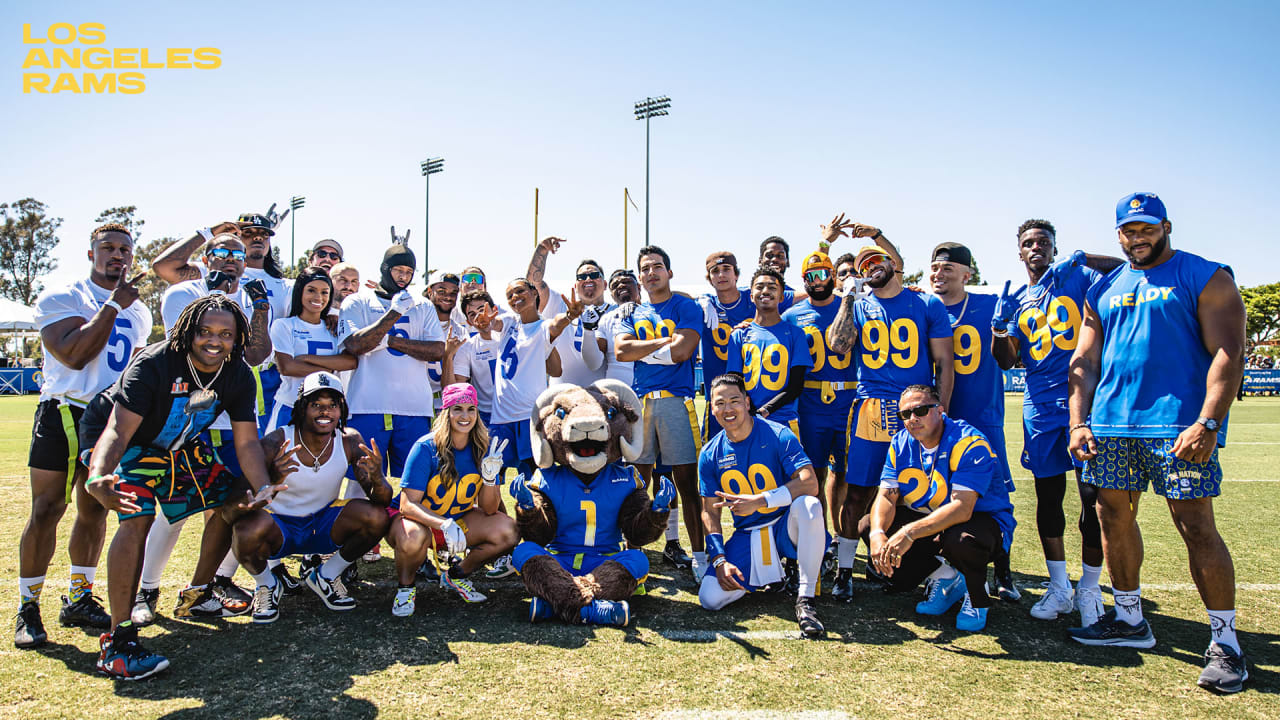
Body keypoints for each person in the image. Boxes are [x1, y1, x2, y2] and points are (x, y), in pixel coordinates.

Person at [1068, 193, 1248, 693]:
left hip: (1178, 429)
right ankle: (1129, 621)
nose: (1138, 237)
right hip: (1111, 429)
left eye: (1146, 227)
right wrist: (1079, 423)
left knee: (1196, 526)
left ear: (1166, 226)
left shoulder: (1205, 274)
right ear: (1118, 234)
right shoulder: (1104, 287)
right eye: (1128, 229)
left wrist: (1208, 423)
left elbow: (1229, 352)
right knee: (1111, 519)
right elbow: (1083, 364)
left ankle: (1226, 642)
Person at [82, 295, 282, 680]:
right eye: (205, 331)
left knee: (233, 502)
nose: (214, 341)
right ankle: (118, 641)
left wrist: (262, 487)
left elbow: (245, 443)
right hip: (127, 442)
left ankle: (198, 594)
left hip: (180, 444)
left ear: (238, 337)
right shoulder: (156, 363)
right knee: (135, 516)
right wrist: (98, 474)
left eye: (226, 334)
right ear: (188, 331)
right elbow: (117, 430)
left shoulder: (238, 374)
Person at [15, 223, 152, 649]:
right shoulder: (64, 295)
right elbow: (74, 355)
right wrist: (114, 304)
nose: (117, 256)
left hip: (109, 419)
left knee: (95, 510)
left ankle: (78, 597)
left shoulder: (141, 312)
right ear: (90, 252)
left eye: (125, 249)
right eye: (107, 248)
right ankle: (28, 607)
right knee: (47, 509)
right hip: (64, 411)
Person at [132, 232, 273, 624]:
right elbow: (186, 345)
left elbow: (257, 356)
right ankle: (146, 589)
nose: (231, 260)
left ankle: (205, 586)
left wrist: (260, 309)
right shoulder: (185, 290)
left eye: (238, 254)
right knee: (174, 512)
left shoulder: (251, 296)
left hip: (235, 422)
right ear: (207, 256)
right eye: (223, 252)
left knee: (231, 509)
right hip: (190, 421)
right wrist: (211, 296)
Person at [991, 219, 1121, 626]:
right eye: (1028, 243)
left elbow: (1124, 271)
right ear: (1019, 251)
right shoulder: (1020, 298)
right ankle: (1060, 585)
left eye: (1043, 243)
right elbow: (1006, 360)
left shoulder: (1076, 276)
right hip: (1040, 406)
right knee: (1049, 498)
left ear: (1054, 248)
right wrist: (998, 328)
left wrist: (1085, 257)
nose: (1036, 249)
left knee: (1093, 499)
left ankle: (1089, 587)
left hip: (1086, 401)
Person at [826, 231, 954, 594]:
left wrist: (940, 410)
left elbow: (944, 362)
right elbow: (838, 345)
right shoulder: (860, 304)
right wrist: (849, 295)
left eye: (876, 260)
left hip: (917, 409)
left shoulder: (926, 304)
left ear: (893, 264)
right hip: (871, 408)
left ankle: (926, 568)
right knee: (858, 493)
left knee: (922, 492)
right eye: (863, 264)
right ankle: (846, 571)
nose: (870, 267)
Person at [231, 371, 392, 623]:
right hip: (280, 527)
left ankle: (327, 575)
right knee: (245, 529)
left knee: (377, 516)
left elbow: (381, 500)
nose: (325, 412)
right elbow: (236, 503)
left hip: (322, 525)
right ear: (302, 407)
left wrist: (377, 478)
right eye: (316, 405)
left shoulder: (350, 440)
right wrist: (271, 478)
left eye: (332, 405)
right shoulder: (277, 440)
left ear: (342, 409)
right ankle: (267, 585)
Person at [867, 384, 1016, 632]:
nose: (913, 419)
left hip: (981, 522)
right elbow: (886, 497)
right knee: (869, 526)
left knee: (962, 540)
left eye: (921, 410)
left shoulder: (968, 442)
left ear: (940, 411)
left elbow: (962, 508)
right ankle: (946, 577)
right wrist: (876, 534)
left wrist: (908, 533)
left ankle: (976, 593)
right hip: (932, 516)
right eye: (905, 414)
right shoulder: (901, 441)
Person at [697, 373, 826, 638]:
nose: (727, 409)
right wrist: (720, 559)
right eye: (720, 403)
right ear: (712, 408)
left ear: (747, 402)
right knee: (710, 598)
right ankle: (773, 574)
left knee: (810, 507)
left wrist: (761, 501)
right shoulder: (710, 453)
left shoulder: (778, 434)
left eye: (734, 401)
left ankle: (806, 598)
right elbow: (709, 510)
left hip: (784, 525)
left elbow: (810, 483)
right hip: (749, 534)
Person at [926, 242, 1019, 603]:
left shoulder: (988, 304)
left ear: (968, 274)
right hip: (936, 419)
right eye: (935, 268)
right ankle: (945, 567)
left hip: (982, 414)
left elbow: (1009, 355)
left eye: (948, 269)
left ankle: (1004, 571)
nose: (939, 274)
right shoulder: (923, 307)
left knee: (994, 496)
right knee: (936, 490)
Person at [385, 383, 518, 614]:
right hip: (419, 521)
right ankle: (405, 588)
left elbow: (488, 509)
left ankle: (457, 575)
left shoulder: (484, 447)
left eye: (471, 409)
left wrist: (489, 479)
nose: (465, 416)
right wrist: (442, 523)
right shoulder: (426, 447)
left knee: (509, 530)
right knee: (413, 537)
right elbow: (408, 504)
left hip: (458, 518)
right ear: (446, 412)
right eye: (457, 409)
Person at [614, 246, 705, 577]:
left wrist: (646, 350)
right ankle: (633, 555)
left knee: (686, 484)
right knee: (637, 485)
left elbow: (683, 351)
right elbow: (622, 351)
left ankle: (700, 558)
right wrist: (661, 342)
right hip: (640, 404)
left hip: (675, 400)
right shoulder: (633, 312)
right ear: (640, 277)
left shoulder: (685, 305)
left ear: (669, 272)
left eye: (657, 266)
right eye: (645, 269)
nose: (651, 272)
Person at [782, 250, 857, 598]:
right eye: (809, 276)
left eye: (822, 273)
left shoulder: (852, 304)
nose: (817, 281)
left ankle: (844, 548)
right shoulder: (793, 314)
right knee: (813, 476)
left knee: (847, 476)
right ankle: (821, 541)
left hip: (849, 398)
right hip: (811, 402)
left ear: (833, 275)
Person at [340, 243, 445, 484]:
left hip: (414, 408)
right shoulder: (357, 302)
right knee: (362, 482)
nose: (403, 277)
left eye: (409, 272)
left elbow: (437, 350)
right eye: (398, 270)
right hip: (367, 405)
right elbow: (355, 345)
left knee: (413, 482)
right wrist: (394, 313)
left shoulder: (423, 305)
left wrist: (387, 340)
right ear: (384, 268)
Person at [265, 268, 357, 432]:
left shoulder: (334, 327)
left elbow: (350, 361)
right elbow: (287, 367)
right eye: (311, 290)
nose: (318, 297)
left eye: (324, 292)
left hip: (325, 411)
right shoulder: (284, 325)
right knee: (279, 456)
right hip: (289, 406)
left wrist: (307, 358)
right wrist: (331, 371)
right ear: (300, 292)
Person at [726, 268, 811, 434]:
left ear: (781, 296)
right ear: (751, 296)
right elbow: (735, 382)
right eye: (759, 287)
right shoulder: (739, 335)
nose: (765, 291)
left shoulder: (795, 334)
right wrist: (750, 412)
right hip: (747, 420)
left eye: (772, 287)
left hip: (784, 420)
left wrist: (765, 410)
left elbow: (796, 385)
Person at [526, 237, 614, 386]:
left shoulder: (614, 312)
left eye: (594, 275)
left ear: (605, 284)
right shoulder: (559, 305)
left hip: (602, 398)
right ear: (575, 284)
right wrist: (542, 249)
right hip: (563, 396)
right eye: (582, 277)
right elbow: (533, 285)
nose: (588, 279)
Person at [697, 252, 757, 444]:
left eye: (726, 270)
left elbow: (794, 293)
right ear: (709, 278)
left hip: (755, 391)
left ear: (736, 274)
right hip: (718, 394)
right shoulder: (705, 305)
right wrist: (701, 298)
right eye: (715, 271)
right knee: (717, 450)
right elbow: (671, 295)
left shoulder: (754, 296)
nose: (721, 275)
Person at [445, 291, 503, 425]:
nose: (480, 317)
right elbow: (456, 388)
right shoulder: (467, 347)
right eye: (472, 314)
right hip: (487, 416)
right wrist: (448, 356)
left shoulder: (512, 336)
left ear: (494, 310)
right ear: (468, 322)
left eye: (482, 310)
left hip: (519, 411)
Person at [423, 272, 469, 411]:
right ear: (430, 291)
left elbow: (458, 382)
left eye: (453, 292)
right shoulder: (418, 325)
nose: (448, 296)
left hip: (446, 404)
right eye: (442, 291)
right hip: (417, 402)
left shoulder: (461, 332)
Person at [598, 269, 641, 386]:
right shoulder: (606, 319)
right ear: (611, 294)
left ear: (639, 287)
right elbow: (595, 358)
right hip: (617, 388)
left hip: (649, 387)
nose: (621, 285)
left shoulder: (652, 312)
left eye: (627, 282)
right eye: (615, 285)